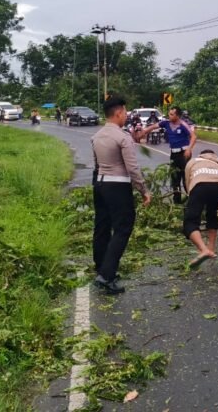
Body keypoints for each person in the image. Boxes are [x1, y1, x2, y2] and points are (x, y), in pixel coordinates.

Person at [90, 96, 152, 295]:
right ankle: (106, 276)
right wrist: (144, 190)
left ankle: (101, 267)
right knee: (123, 228)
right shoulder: (123, 137)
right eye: (125, 112)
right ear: (118, 113)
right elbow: (132, 168)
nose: (126, 116)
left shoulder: (96, 136)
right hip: (118, 186)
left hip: (99, 184)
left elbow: (97, 164)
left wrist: (97, 185)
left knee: (102, 226)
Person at [183, 149, 218, 268]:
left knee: (190, 221)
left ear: (201, 155)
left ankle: (203, 250)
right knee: (212, 214)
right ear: (214, 156)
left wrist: (191, 200)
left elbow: (188, 182)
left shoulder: (193, 161)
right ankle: (211, 249)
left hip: (200, 185)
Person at [138, 105, 197, 204]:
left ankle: (191, 200)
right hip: (174, 154)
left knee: (185, 178)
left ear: (177, 116)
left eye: (171, 114)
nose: (169, 116)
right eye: (169, 114)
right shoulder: (166, 123)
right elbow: (153, 126)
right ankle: (177, 201)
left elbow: (194, 137)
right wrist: (144, 132)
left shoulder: (183, 125)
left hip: (184, 154)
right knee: (175, 178)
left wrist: (189, 149)